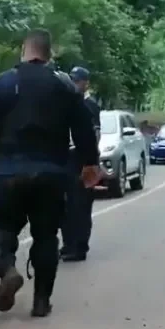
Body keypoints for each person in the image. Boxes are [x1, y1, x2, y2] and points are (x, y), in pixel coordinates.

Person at [0, 29, 101, 317]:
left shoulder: (3, 83)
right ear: (49, 54)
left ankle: (8, 270)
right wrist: (90, 163)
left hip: (9, 172)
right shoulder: (65, 87)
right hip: (51, 174)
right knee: (46, 236)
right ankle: (41, 302)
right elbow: (83, 127)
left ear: (24, 50)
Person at [60, 66, 101, 262]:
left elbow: (94, 136)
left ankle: (80, 246)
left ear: (86, 83)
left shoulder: (89, 106)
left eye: (78, 81)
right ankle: (68, 244)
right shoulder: (64, 103)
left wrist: (91, 161)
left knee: (81, 205)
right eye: (73, 80)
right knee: (65, 205)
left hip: (83, 159)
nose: (75, 84)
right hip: (65, 158)